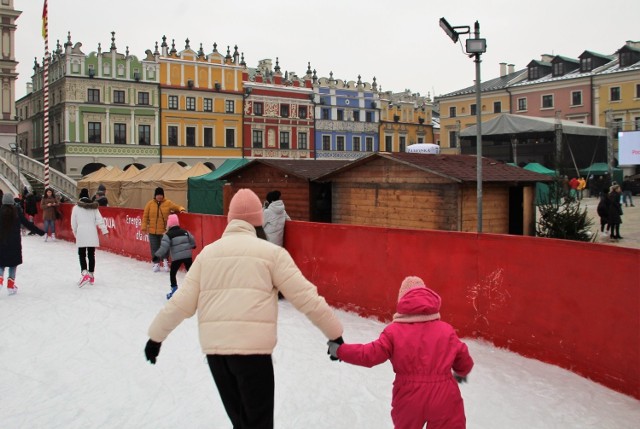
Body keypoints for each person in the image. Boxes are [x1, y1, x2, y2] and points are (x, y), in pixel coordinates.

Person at [144, 188, 344, 428]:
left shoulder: (208, 255)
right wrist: (335, 335)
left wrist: (155, 338)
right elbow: (306, 298)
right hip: (253, 353)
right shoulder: (272, 254)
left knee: (241, 422)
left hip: (218, 355)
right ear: (259, 219)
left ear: (230, 218)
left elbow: (181, 302)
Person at [328, 276, 474, 429]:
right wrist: (461, 371)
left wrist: (340, 350)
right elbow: (462, 355)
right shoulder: (446, 330)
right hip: (444, 395)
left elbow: (369, 355)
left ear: (403, 301)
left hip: (409, 396)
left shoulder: (393, 332)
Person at [0, 193, 45, 295]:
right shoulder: (17, 212)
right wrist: (40, 232)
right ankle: (11, 286)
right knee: (12, 264)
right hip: (14, 242)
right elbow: (27, 224)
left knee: (1, 263)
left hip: (1, 241)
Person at [141, 187, 185, 272]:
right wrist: (143, 228)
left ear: (163, 195)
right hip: (152, 231)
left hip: (164, 231)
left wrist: (181, 209)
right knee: (154, 248)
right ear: (155, 195)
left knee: (165, 247)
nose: (159, 197)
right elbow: (145, 216)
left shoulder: (168, 203)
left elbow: (176, 207)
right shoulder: (149, 204)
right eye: (158, 195)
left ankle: (165, 262)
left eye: (161, 195)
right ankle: (156, 263)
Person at [71, 188, 109, 287]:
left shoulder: (76, 208)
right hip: (92, 231)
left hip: (81, 232)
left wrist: (76, 233)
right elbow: (100, 220)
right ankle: (91, 274)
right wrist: (104, 231)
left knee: (82, 253)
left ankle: (84, 273)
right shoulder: (94, 207)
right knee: (91, 254)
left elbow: (73, 223)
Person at [153, 214, 196, 300]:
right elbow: (192, 240)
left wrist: (157, 256)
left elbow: (164, 247)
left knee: (173, 273)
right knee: (191, 273)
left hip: (177, 258)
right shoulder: (185, 232)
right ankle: (195, 289)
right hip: (187, 256)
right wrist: (193, 245)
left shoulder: (168, 235)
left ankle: (174, 288)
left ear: (169, 224)